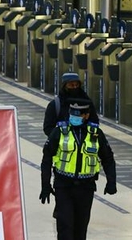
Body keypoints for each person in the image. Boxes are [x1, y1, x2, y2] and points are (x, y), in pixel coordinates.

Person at [40, 100, 117, 240]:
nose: (74, 117)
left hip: (86, 187)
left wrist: (111, 181)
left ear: (86, 115)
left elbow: (108, 158)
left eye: (78, 114)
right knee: (65, 227)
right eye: (72, 113)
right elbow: (46, 159)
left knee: (80, 229)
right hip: (63, 186)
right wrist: (45, 185)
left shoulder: (95, 134)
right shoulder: (59, 132)